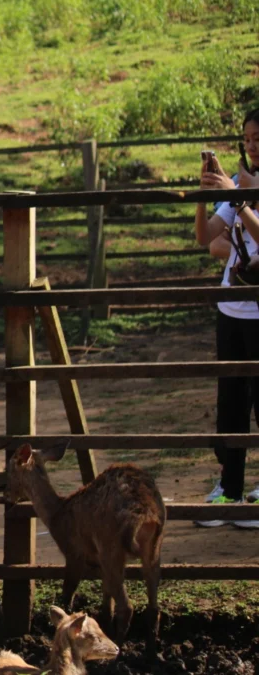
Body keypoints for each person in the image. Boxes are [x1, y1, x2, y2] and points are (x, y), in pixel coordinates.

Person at [194, 108, 259, 528]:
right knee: (230, 401)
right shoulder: (238, 184)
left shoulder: (245, 188)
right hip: (231, 307)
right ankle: (231, 487)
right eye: (248, 138)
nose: (252, 146)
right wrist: (205, 197)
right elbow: (206, 238)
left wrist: (239, 198)